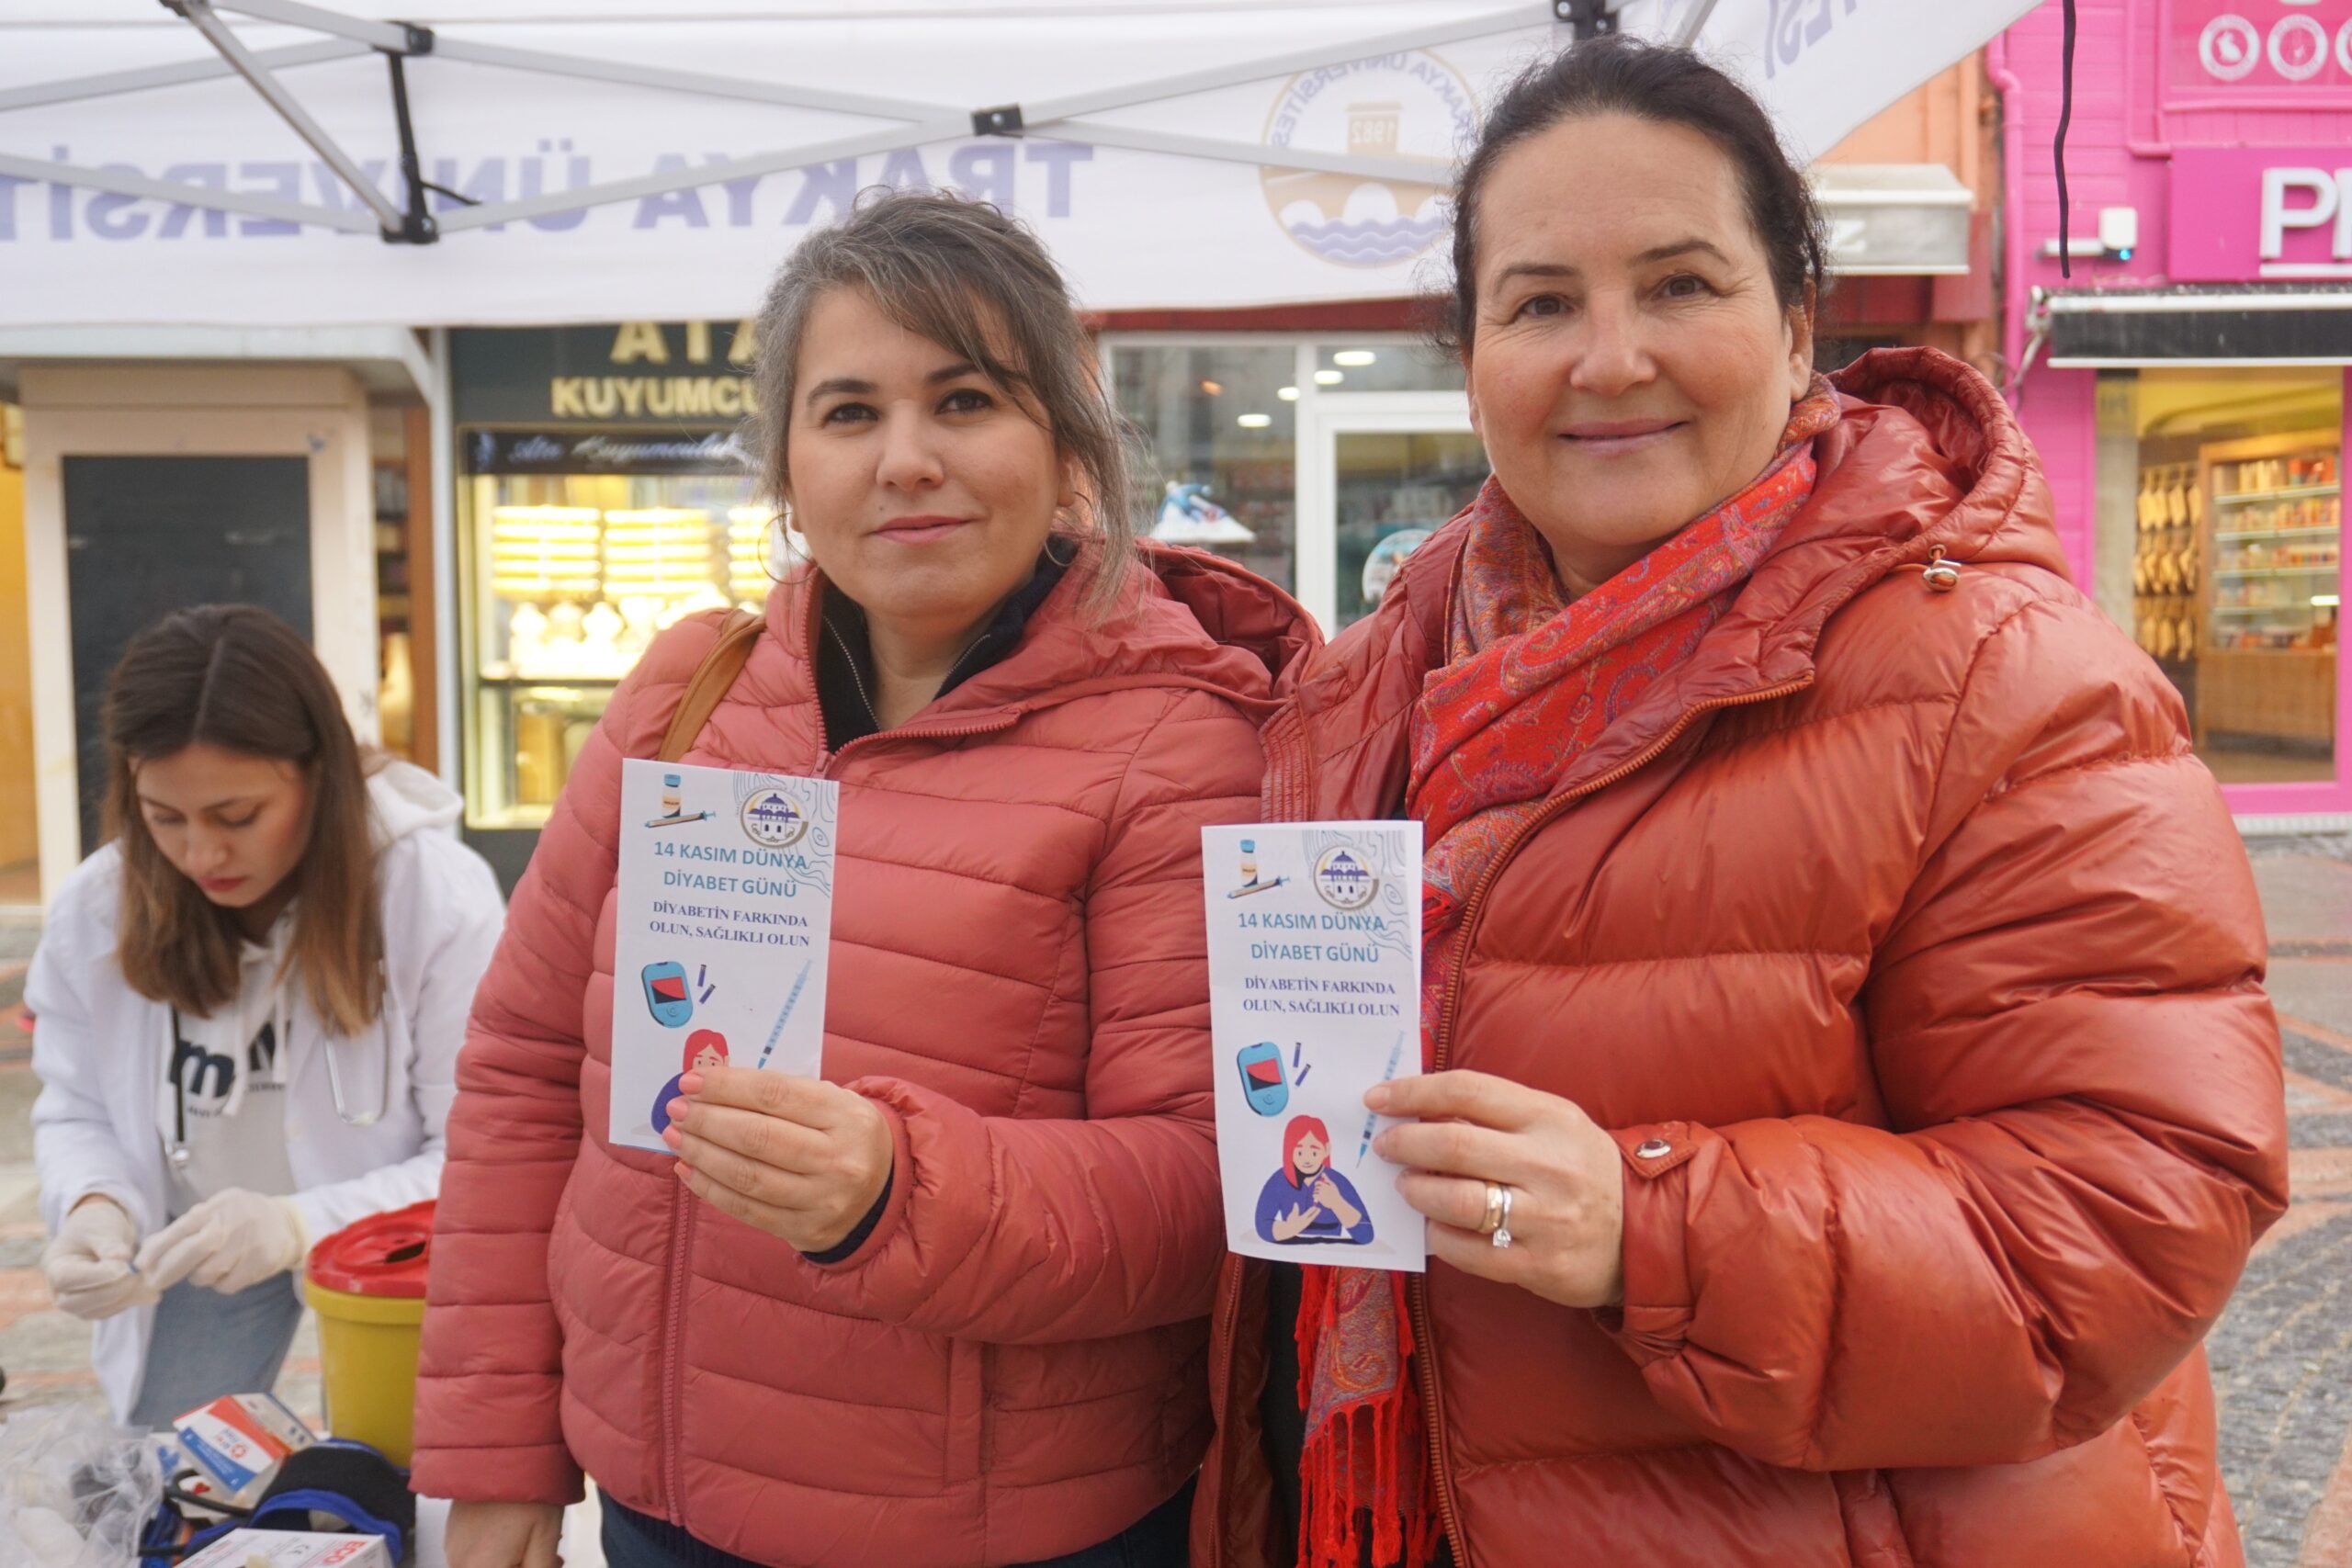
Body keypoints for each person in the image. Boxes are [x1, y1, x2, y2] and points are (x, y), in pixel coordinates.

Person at [1196, 37, 2290, 1568]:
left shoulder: (2006, 682)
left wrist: (1651, 1228)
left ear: (1796, 331)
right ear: (1472, 355)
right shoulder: (1371, 687)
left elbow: (2128, 1221)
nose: (1609, 356)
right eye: (1541, 303)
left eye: (1682, 284)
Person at [413, 190, 1315, 1568]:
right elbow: (528, 1068)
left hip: (1003, 1527)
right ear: (784, 463)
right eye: (847, 412)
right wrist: (496, 1456)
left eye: (965, 401)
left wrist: (904, 1186)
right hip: (661, 1505)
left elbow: (1213, 1187)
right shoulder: (685, 692)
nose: (906, 460)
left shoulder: (1179, 738)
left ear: (1070, 450)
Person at [29, 605, 504, 1428]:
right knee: (176, 1476)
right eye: (164, 817)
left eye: (237, 816)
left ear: (320, 775)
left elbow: (479, 1153)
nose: (200, 855)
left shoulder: (435, 895)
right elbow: (76, 1105)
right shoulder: (99, 904)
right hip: (200, 1241)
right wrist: (94, 1204)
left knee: (394, 1479)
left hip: (388, 1247)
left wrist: (295, 1223)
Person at [1254, 1116, 1372, 1247]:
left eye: (1314, 1153)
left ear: (1326, 1150)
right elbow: (1261, 1225)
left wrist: (1337, 1203)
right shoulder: (1279, 1180)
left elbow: (1366, 1235)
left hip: (1332, 1256)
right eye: (1299, 1153)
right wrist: (1290, 1228)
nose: (1307, 1160)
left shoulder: (1337, 1182)